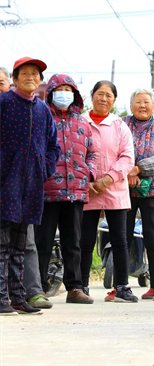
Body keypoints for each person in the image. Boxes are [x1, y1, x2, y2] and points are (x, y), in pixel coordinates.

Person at [0, 57, 60, 316]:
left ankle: (17, 297)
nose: (30, 77)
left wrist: (43, 169)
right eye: (24, 73)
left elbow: (53, 147)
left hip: (31, 188)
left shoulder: (43, 110)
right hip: (4, 185)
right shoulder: (3, 103)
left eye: (35, 74)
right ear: (14, 79)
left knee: (19, 245)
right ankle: (1, 297)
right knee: (1, 245)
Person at [35, 74, 97, 304]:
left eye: (68, 89)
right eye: (59, 88)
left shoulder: (82, 122)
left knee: (74, 243)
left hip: (76, 191)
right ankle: (37, 288)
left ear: (75, 94)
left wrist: (88, 173)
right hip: (47, 190)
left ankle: (75, 288)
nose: (64, 93)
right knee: (43, 241)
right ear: (51, 92)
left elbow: (92, 153)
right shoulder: (41, 116)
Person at [80, 80, 137, 303]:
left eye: (109, 96)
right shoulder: (80, 122)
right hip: (87, 189)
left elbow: (127, 157)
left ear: (114, 100)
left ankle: (122, 286)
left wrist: (107, 179)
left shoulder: (120, 126)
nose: (103, 99)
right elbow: (74, 153)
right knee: (84, 240)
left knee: (120, 240)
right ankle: (81, 286)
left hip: (114, 189)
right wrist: (88, 182)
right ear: (92, 95)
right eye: (100, 94)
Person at [123, 88, 154, 301]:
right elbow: (115, 151)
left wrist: (139, 169)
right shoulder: (122, 124)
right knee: (122, 236)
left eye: (146, 102)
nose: (142, 106)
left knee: (153, 237)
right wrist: (127, 171)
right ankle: (120, 285)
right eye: (138, 102)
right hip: (124, 187)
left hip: (153, 189)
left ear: (153, 105)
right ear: (131, 105)